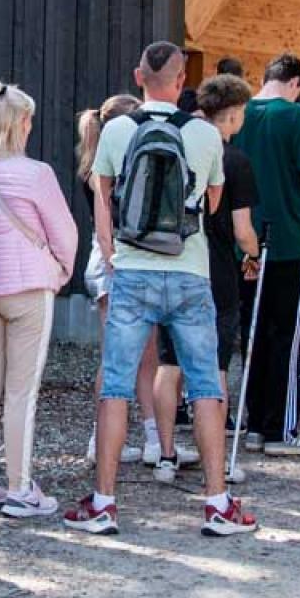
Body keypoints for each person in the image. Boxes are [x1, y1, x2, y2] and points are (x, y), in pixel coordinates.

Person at [65, 42, 254, 537]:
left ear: (137, 76)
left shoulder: (118, 130)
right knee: (207, 385)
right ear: (180, 81)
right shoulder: (206, 135)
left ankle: (104, 503)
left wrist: (110, 251)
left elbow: (102, 197)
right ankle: (217, 503)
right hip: (190, 272)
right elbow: (212, 205)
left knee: (116, 386)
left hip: (132, 270)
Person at [0, 83, 80, 518]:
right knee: (21, 392)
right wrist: (62, 270)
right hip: (28, 284)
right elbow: (64, 232)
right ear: (23, 123)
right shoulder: (37, 173)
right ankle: (20, 487)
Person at [150, 73, 261, 481]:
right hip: (215, 270)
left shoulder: (179, 143)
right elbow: (243, 229)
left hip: (170, 261)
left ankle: (164, 454)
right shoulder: (235, 160)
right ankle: (216, 457)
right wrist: (254, 253)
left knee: (170, 361)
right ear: (231, 115)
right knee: (213, 366)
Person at [234, 53, 300, 457]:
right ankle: (280, 430)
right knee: (284, 336)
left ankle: (254, 422)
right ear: (295, 84)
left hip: (245, 238)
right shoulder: (297, 117)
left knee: (252, 333)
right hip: (288, 238)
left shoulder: (239, 113)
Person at [77, 93, 161, 467]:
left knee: (131, 357)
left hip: (106, 265)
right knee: (133, 358)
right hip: (119, 264)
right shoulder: (112, 171)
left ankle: (139, 438)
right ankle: (125, 439)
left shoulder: (97, 166)